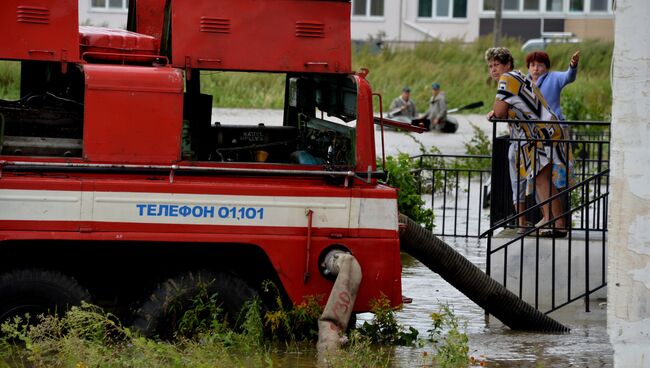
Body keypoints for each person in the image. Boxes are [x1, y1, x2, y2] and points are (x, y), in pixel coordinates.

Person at [485, 47, 572, 237]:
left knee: (542, 181)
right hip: (547, 131)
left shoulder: (507, 79)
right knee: (543, 180)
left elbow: (499, 112)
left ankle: (557, 224)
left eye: (497, 64)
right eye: (490, 66)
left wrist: (495, 113)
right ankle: (553, 222)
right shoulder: (518, 76)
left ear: (508, 64)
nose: (493, 69)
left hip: (540, 134)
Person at [526, 50, 580, 121]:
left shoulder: (554, 77)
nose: (535, 69)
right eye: (532, 65)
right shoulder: (523, 81)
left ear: (547, 67)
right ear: (528, 67)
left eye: (540, 65)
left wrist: (573, 65)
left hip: (554, 126)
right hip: (531, 127)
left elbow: (569, 77)